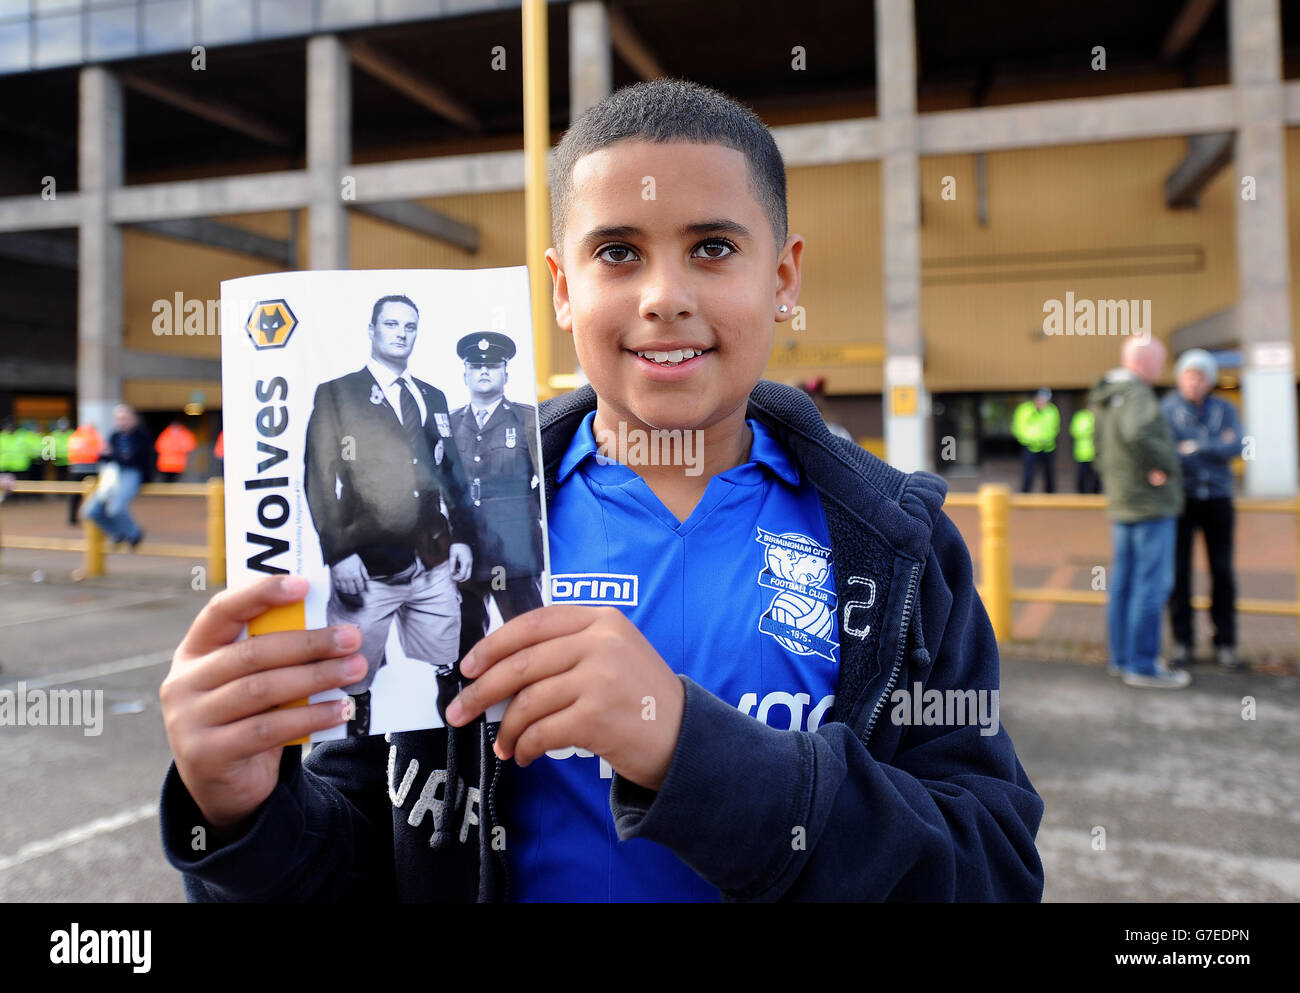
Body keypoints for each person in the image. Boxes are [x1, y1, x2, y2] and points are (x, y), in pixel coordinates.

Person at [158, 78, 1043, 901]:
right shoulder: (456, 521)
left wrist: (686, 747)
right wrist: (242, 813)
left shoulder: (895, 543)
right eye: (618, 252)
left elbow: (992, 866)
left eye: (713, 248)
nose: (664, 296)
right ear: (561, 290)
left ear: (783, 278)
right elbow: (370, 860)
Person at [302, 294, 478, 737]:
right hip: (369, 563)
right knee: (354, 677)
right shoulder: (338, 393)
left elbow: (450, 471)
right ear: (372, 330)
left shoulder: (432, 395)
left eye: (409, 326)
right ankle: (356, 757)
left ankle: (451, 749)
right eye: (392, 324)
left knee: (448, 665)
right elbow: (319, 479)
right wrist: (339, 553)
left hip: (432, 560)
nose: (401, 333)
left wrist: (461, 537)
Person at [1089, 339, 1188, 688]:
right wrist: (1167, 464)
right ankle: (1142, 664)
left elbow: (1097, 447)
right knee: (1151, 585)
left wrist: (1118, 479)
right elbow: (1139, 433)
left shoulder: (1106, 396)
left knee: (1124, 585)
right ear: (1145, 362)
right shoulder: (1138, 395)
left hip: (1124, 501)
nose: (1162, 368)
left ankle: (1121, 658)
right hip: (1149, 503)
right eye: (1160, 361)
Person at [449, 331, 545, 664]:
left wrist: (524, 511)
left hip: (514, 548)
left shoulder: (527, 418)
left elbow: (547, 480)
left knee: (529, 638)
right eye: (476, 366)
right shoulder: (448, 424)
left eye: (492, 365)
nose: (484, 371)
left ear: (506, 372)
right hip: (465, 549)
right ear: (465, 374)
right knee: (466, 642)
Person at [1162, 349, 1245, 671]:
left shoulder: (1226, 409)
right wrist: (1213, 445)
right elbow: (1168, 452)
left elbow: (1236, 445)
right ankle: (1183, 643)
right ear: (1180, 378)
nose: (1193, 382)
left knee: (1222, 572)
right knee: (1179, 573)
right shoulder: (1167, 410)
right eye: (1188, 375)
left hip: (1219, 499)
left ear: (1209, 381)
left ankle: (1226, 642)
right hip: (1182, 501)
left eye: (1199, 376)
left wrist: (1196, 447)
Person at [83, 404, 153, 549]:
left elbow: (132, 459)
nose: (122, 422)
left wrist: (113, 454)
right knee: (90, 511)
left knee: (115, 508)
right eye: (119, 419)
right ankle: (118, 533)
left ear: (133, 418)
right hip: (113, 475)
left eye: (125, 418)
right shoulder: (115, 435)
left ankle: (134, 534)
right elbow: (104, 456)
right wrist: (113, 455)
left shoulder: (141, 435)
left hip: (132, 473)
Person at [1011, 389, 1059, 492]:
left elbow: (1055, 427)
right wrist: (1027, 440)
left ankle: (1050, 497)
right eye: (1041, 399)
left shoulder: (1052, 410)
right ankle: (1025, 496)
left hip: (1047, 447)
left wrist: (1046, 439)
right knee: (1028, 474)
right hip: (1030, 447)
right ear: (1036, 398)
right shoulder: (1025, 410)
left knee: (1049, 475)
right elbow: (1018, 427)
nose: (1043, 402)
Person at [66, 420, 103, 525]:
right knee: (93, 495)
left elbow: (70, 451)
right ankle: (91, 519)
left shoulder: (74, 436)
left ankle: (72, 518)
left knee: (74, 495)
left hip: (75, 469)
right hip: (91, 469)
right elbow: (101, 452)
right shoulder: (95, 436)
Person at [801, 375, 854, 442]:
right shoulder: (792, 434)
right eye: (810, 395)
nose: (817, 399)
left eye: (817, 394)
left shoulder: (837, 431)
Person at [1069, 405, 1100, 494]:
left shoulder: (1097, 416)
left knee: (1096, 476)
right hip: (1082, 452)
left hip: (1096, 452)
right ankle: (1081, 494)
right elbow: (1076, 431)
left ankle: (1096, 494)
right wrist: (1090, 431)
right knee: (1081, 475)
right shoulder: (1080, 416)